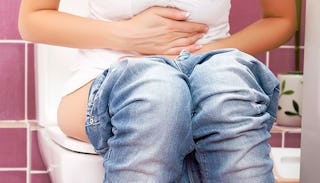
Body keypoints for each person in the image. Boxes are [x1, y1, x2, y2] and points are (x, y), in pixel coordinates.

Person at [19, 0, 296, 182]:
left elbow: (281, 19)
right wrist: (127, 35)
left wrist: (197, 55)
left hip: (211, 71)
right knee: (158, 93)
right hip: (110, 69)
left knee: (228, 89)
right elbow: (32, 20)